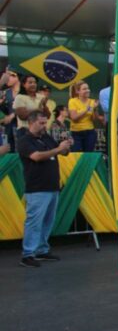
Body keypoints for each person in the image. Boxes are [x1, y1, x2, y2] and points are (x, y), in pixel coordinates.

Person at [17, 111, 73, 267]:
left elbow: (62, 152)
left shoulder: (46, 138)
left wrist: (66, 146)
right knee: (34, 221)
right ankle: (28, 253)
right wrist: (58, 149)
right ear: (31, 122)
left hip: (52, 185)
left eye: (45, 123)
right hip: (37, 187)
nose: (44, 126)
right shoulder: (24, 141)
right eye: (41, 123)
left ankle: (41, 249)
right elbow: (37, 157)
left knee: (48, 221)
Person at [13, 74, 48, 141]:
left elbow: (47, 116)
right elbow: (23, 116)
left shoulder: (41, 97)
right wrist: (39, 108)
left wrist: (44, 105)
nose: (33, 84)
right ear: (23, 84)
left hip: (41, 131)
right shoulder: (20, 97)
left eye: (35, 82)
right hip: (25, 131)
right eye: (30, 82)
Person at [67, 80, 100, 152]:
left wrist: (95, 109)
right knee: (77, 155)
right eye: (84, 89)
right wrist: (86, 110)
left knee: (88, 155)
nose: (88, 90)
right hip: (76, 133)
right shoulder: (72, 101)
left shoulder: (92, 101)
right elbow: (74, 118)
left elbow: (94, 119)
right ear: (78, 91)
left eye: (88, 88)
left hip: (90, 132)